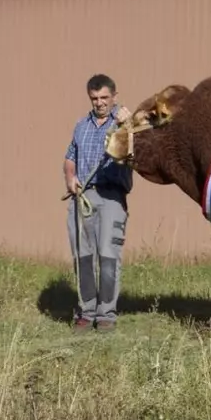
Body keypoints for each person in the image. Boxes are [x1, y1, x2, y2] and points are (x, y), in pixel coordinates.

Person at [63, 73, 133, 333]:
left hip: (111, 197)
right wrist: (70, 178)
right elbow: (70, 157)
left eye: (105, 97)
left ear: (114, 96)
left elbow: (131, 151)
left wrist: (127, 124)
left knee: (107, 257)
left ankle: (106, 314)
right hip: (82, 198)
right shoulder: (81, 126)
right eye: (95, 98)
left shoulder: (124, 123)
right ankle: (86, 311)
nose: (100, 102)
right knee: (83, 257)